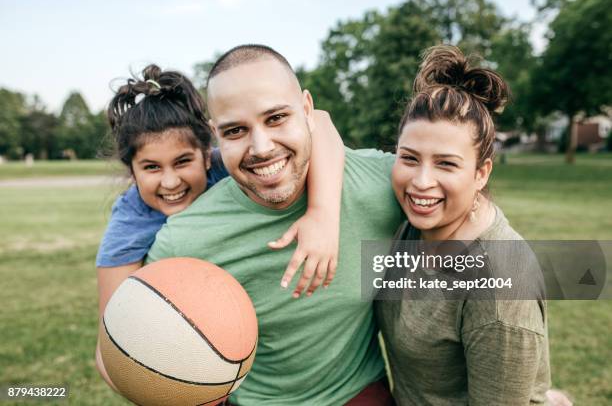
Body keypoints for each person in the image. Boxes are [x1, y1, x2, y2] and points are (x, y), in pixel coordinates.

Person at [146, 44, 402, 405]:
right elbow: (138, 344)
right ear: (214, 133)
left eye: (277, 118)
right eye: (235, 131)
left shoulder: (383, 184)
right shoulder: (185, 239)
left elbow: (481, 238)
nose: (262, 147)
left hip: (356, 392)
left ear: (308, 109)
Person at [95, 63, 347, 392]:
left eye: (183, 161)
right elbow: (108, 351)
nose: (170, 181)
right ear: (131, 170)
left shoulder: (232, 165)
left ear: (206, 154)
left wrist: (323, 215)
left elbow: (322, 121)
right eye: (151, 167)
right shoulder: (129, 223)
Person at [375, 45, 551, 405]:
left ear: (481, 172)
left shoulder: (501, 288)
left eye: (446, 164)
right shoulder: (411, 222)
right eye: (409, 158)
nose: (421, 182)